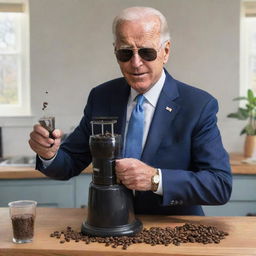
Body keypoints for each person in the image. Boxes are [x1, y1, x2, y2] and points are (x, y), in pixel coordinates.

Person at [29, 6, 232, 215]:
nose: (136, 63)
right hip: (110, 226)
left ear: (166, 51)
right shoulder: (102, 96)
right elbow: (69, 163)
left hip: (173, 232)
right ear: (115, 51)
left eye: (147, 52)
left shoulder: (198, 105)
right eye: (126, 53)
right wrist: (49, 154)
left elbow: (219, 185)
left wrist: (156, 179)